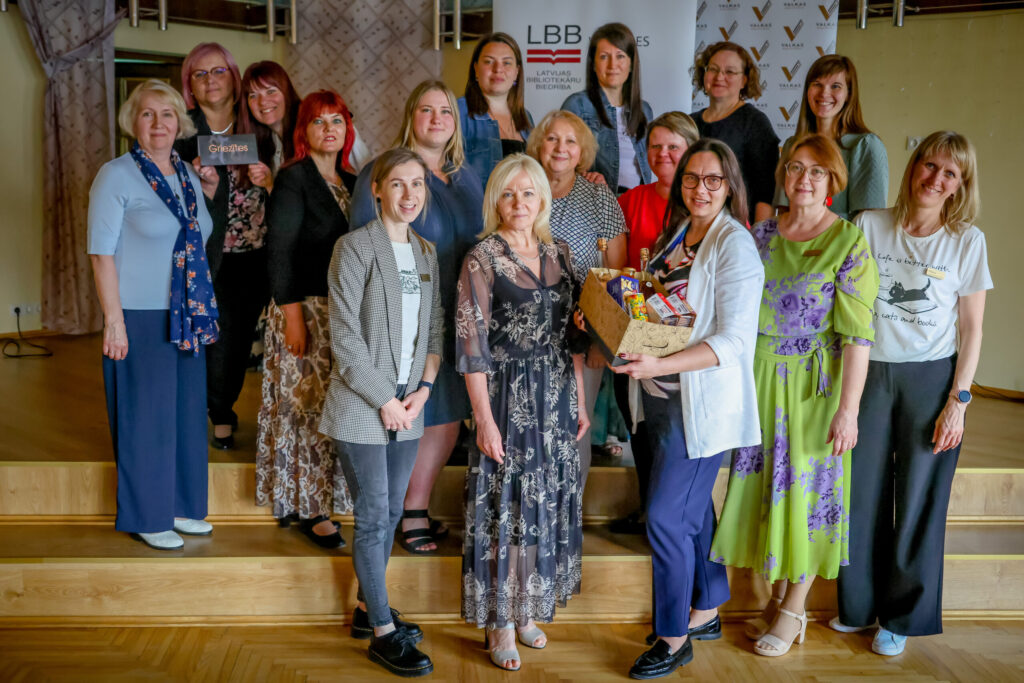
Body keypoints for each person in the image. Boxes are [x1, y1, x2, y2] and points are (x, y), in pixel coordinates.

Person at [710, 133, 880, 657]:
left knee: (806, 494)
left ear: (833, 181)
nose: (803, 179)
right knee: (765, 488)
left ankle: (794, 607)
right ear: (783, 174)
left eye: (817, 171)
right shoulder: (759, 234)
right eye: (796, 168)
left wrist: (848, 410)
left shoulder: (848, 241)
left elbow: (858, 337)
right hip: (758, 377)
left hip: (813, 386)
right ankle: (779, 595)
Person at [609, 139, 763, 679]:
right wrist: (615, 325)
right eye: (692, 178)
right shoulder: (679, 233)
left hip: (699, 405)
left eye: (713, 179)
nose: (701, 188)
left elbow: (734, 342)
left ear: (730, 186)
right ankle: (708, 606)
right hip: (658, 398)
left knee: (667, 518)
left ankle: (674, 636)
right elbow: (660, 307)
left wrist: (660, 364)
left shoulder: (734, 244)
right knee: (691, 513)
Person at [834, 131, 992, 657]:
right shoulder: (868, 224)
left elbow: (972, 329)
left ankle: (902, 617)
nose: (935, 179)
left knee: (920, 499)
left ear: (960, 185)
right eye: (929, 165)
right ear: (913, 167)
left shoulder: (967, 241)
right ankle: (858, 605)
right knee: (860, 492)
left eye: (949, 173)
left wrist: (958, 401)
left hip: (931, 380)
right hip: (869, 372)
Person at [458, 153, 589, 672]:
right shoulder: (482, 258)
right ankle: (501, 621)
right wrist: (484, 420)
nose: (519, 202)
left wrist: (580, 399)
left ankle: (527, 604)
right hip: (507, 397)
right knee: (507, 506)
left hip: (556, 394)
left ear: (542, 199)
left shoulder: (561, 254)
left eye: (528, 192)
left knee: (545, 501)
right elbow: (471, 346)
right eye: (508, 193)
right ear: (496, 200)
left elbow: (572, 337)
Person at [320, 147, 443, 678]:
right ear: (377, 189)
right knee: (373, 516)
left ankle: (367, 608)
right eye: (397, 183)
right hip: (362, 404)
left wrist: (424, 390)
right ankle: (383, 634)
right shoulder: (354, 248)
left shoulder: (426, 252)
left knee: (392, 513)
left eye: (417, 184)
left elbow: (434, 329)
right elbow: (345, 340)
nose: (409, 194)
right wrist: (386, 400)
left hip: (410, 403)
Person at [351, 80, 483, 555]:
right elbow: (365, 245)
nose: (436, 119)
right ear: (411, 116)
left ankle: (415, 504)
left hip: (460, 312)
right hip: (408, 313)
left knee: (449, 414)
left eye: (445, 111)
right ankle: (405, 511)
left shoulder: (466, 176)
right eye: (426, 110)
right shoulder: (384, 170)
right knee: (416, 410)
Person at [88, 79, 219, 550]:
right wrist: (114, 321)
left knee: (185, 415)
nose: (158, 123)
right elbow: (101, 254)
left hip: (187, 313)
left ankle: (180, 506)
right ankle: (147, 514)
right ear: (133, 122)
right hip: (138, 315)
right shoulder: (116, 175)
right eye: (148, 114)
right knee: (144, 418)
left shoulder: (187, 174)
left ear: (179, 123)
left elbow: (198, 234)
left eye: (167, 114)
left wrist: (209, 190)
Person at [256, 90, 357, 548]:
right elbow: (279, 253)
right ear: (304, 130)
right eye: (318, 121)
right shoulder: (294, 178)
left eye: (337, 120)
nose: (329, 129)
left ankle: (328, 496)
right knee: (305, 409)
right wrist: (293, 318)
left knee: (334, 409)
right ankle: (308, 506)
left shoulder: (354, 180)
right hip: (304, 309)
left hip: (344, 314)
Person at [609, 111, 700, 534]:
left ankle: (674, 519)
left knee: (674, 435)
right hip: (636, 333)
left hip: (686, 340)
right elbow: (616, 269)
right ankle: (649, 509)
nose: (663, 154)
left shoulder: (704, 204)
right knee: (639, 428)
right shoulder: (630, 201)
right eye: (656, 146)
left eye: (673, 147)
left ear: (691, 151)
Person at [526, 109, 627, 489]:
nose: (560, 148)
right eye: (552, 138)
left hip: (583, 336)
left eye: (570, 141)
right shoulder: (522, 186)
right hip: (525, 337)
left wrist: (602, 341)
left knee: (574, 425)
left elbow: (615, 274)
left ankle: (569, 510)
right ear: (539, 145)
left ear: (582, 152)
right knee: (528, 424)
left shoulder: (599, 195)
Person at [175, 42, 248, 449]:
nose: (210, 80)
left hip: (254, 253)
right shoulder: (183, 130)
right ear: (190, 85)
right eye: (199, 74)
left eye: (218, 70)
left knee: (237, 343)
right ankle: (213, 411)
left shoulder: (254, 120)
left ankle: (223, 406)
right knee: (210, 339)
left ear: (233, 75)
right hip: (203, 251)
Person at [774, 54, 888, 220]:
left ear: (849, 94)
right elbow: (784, 211)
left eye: (835, 86)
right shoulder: (792, 145)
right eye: (817, 84)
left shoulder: (866, 146)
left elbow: (869, 221)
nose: (824, 93)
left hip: (842, 237)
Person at [691, 41, 779, 224]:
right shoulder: (690, 122)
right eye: (713, 69)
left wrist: (758, 236)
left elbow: (766, 192)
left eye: (730, 72)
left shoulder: (755, 123)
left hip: (738, 228)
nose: (719, 77)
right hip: (693, 225)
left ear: (744, 80)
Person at [562, 22, 653, 193]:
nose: (612, 65)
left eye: (620, 56)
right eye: (604, 57)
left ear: (631, 64)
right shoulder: (577, 105)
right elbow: (560, 163)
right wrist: (586, 178)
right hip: (595, 202)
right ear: (593, 64)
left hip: (636, 202)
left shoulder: (644, 110)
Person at [458, 32, 534, 185]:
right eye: (488, 61)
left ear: (516, 72)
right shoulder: (457, 111)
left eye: (507, 63)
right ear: (476, 68)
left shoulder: (525, 117)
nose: (498, 69)